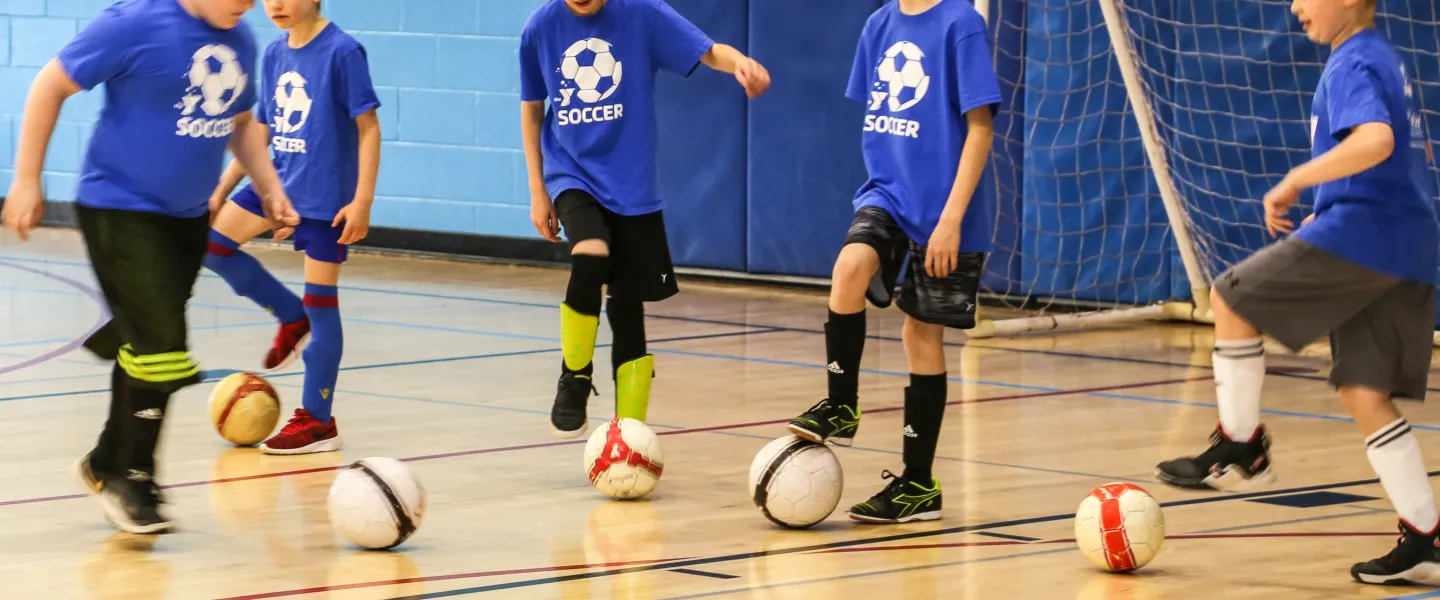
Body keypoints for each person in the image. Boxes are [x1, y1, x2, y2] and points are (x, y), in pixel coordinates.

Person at [1154, 0, 1440, 585]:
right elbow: (1406, 160)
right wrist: (1325, 211)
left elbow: (1377, 142)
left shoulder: (1354, 61)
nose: (1294, 5)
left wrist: (1295, 181)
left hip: (1370, 236)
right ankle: (1427, 536)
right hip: (1408, 242)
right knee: (1364, 390)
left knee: (1231, 298)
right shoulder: (1385, 58)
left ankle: (1241, 443)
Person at [0, 0, 297, 533]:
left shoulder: (241, 38)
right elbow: (49, 84)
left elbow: (242, 124)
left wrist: (271, 188)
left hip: (185, 220)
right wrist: (25, 180)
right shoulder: (134, 23)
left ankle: (105, 460)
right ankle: (132, 478)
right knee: (163, 346)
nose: (249, 3)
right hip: (118, 209)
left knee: (143, 341)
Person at [786, 0, 1000, 524]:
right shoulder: (878, 24)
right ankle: (842, 403)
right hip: (888, 196)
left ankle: (918, 484)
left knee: (920, 336)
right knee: (848, 269)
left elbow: (980, 129)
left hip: (950, 211)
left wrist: (950, 221)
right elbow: (886, 119)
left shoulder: (961, 24)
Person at [518, 0, 771, 439]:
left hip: (631, 185)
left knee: (627, 309)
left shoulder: (643, 13)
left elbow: (708, 50)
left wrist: (740, 64)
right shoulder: (539, 27)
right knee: (590, 253)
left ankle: (629, 433)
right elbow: (532, 105)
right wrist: (538, 188)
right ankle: (574, 374)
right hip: (570, 172)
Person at [206, 0, 381, 455]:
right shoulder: (273, 52)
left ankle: (318, 421)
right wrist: (223, 186)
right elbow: (260, 129)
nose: (277, 4)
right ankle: (289, 314)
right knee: (213, 243)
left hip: (326, 202)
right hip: (276, 187)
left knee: (323, 306)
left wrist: (361, 200)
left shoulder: (343, 51)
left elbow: (368, 129)